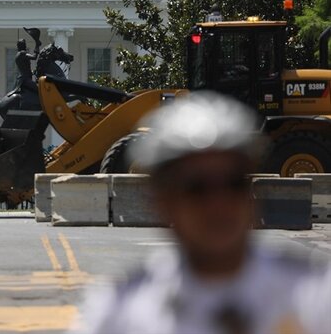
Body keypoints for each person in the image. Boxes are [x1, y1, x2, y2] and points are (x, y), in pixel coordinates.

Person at [75, 92, 331, 334]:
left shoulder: (313, 294)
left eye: (233, 183)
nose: (218, 203)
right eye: (197, 188)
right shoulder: (121, 312)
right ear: (162, 203)